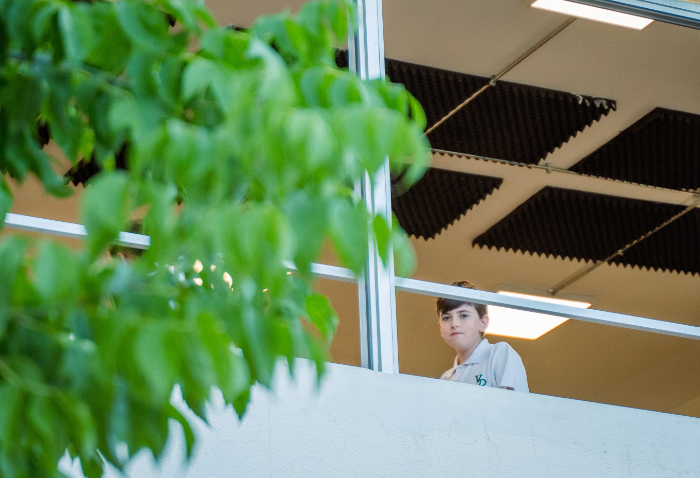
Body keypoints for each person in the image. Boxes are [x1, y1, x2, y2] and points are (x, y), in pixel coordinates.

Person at [438, 280, 529, 392]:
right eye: (446, 318)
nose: (454, 324)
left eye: (464, 315)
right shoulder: (445, 378)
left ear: (482, 323)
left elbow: (515, 402)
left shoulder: (499, 354)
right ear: (440, 328)